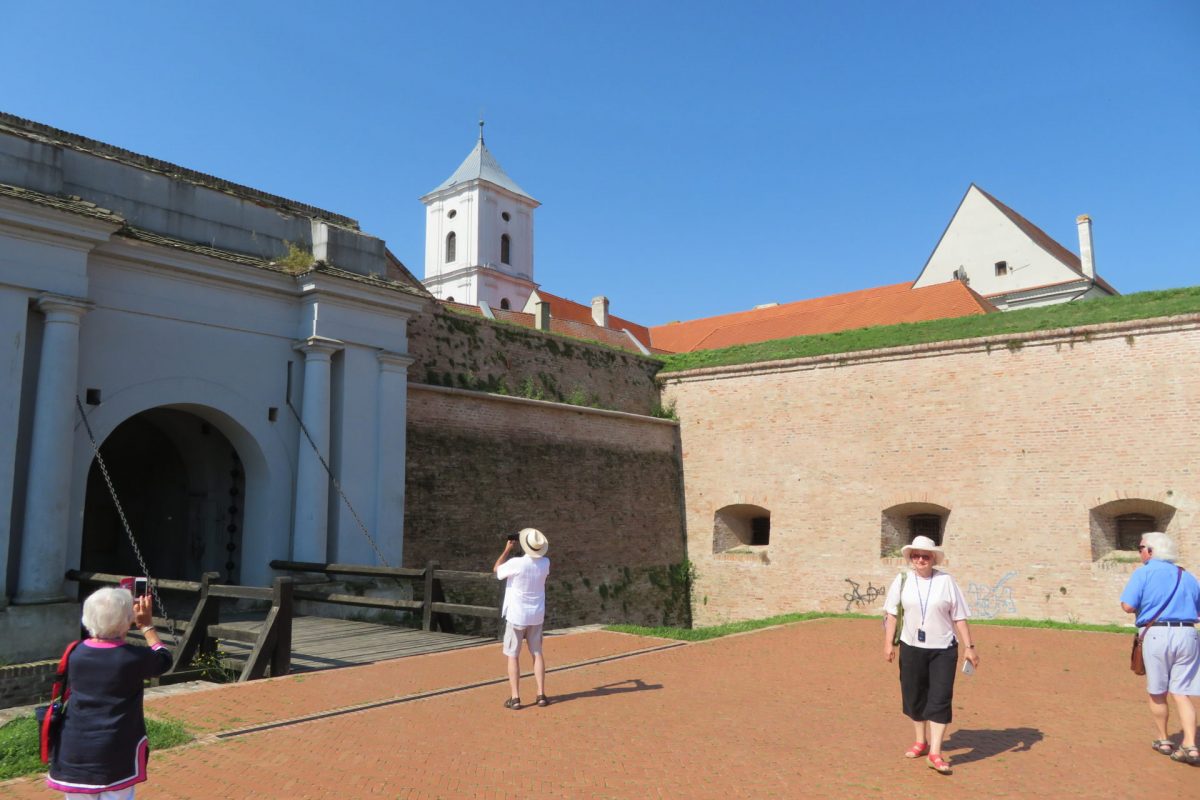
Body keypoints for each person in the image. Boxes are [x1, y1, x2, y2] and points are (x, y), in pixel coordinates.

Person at [47, 586, 173, 798]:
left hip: (74, 747)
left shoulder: (75, 652)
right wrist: (147, 626)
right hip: (116, 750)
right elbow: (163, 659)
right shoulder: (133, 657)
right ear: (127, 621)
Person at [882, 535, 980, 775]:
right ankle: (921, 741)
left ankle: (935, 752)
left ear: (933, 558)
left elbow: (959, 616)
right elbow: (892, 614)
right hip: (911, 646)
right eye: (916, 555)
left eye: (925, 556)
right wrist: (888, 644)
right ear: (910, 558)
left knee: (940, 698)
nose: (920, 559)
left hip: (943, 649)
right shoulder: (902, 580)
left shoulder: (946, 581)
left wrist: (969, 647)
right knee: (914, 696)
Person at [1120, 530, 1200, 764]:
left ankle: (1163, 739)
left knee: (1157, 691)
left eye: (1141, 548)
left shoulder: (1143, 573)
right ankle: (1190, 744)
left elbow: (1127, 606)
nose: (1140, 552)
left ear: (1151, 551)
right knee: (1182, 692)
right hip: (1187, 633)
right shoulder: (1186, 575)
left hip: (1157, 634)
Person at [493, 527, 551, 710]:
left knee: (513, 655)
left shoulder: (516, 563)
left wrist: (507, 549)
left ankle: (516, 697)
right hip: (536, 615)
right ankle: (541, 694)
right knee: (537, 653)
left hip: (517, 615)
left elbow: (497, 570)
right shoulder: (546, 563)